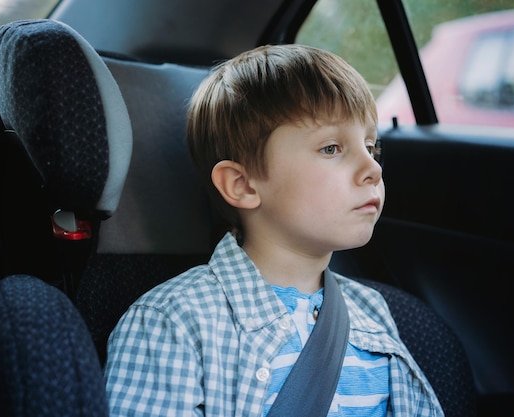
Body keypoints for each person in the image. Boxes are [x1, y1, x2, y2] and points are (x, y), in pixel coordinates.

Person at [104, 43, 444, 417]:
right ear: (243, 185)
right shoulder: (173, 324)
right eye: (332, 148)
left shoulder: (371, 311)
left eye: (370, 146)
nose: (373, 169)